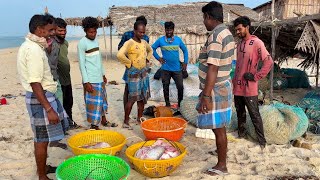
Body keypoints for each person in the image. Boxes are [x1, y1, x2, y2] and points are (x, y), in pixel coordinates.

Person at [17, 14, 69, 180]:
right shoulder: (33, 50)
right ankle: (41, 175)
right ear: (38, 29)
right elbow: (35, 83)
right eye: (50, 30)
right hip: (40, 99)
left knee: (43, 138)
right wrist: (48, 109)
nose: (52, 33)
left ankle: (43, 167)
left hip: (41, 96)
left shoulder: (33, 45)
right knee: (41, 139)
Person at [197, 1, 235, 176]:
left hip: (216, 88)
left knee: (218, 128)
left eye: (204, 18)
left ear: (209, 17)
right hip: (223, 84)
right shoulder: (226, 32)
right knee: (218, 127)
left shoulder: (216, 36)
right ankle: (221, 155)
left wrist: (206, 95)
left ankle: (221, 165)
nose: (204, 22)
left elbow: (213, 67)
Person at [233, 16, 273, 149]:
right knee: (240, 113)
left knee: (254, 114)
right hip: (237, 86)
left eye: (239, 29)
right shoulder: (239, 44)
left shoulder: (257, 43)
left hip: (250, 88)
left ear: (247, 27)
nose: (237, 32)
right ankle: (242, 135)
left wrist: (256, 76)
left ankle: (262, 142)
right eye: (236, 30)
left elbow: (268, 62)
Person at [78, 16, 118, 130]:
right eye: (91, 32)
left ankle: (104, 121)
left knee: (102, 101)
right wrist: (86, 82)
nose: (93, 34)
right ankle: (94, 125)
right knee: (92, 104)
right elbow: (81, 64)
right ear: (85, 31)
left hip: (99, 78)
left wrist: (103, 74)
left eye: (95, 31)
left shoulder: (95, 41)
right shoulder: (82, 43)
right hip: (90, 80)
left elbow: (99, 60)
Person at [117, 21, 153, 130]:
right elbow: (119, 54)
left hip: (143, 72)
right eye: (140, 32)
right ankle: (126, 121)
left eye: (143, 32)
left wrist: (147, 59)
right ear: (135, 31)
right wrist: (128, 63)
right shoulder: (129, 43)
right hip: (133, 73)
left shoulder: (144, 42)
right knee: (132, 98)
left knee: (142, 97)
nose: (142, 34)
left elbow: (150, 50)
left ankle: (139, 118)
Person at [152, 21, 188, 107]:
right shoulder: (161, 40)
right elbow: (152, 49)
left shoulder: (178, 40)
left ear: (173, 30)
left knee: (180, 87)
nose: (169, 32)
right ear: (165, 30)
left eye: (170, 30)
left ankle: (180, 105)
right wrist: (159, 58)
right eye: (167, 30)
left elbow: (185, 50)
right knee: (165, 87)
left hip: (177, 69)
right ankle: (167, 104)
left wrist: (185, 62)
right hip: (165, 69)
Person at [55, 18, 79, 129]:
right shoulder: (51, 44)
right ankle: (61, 126)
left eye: (64, 30)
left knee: (69, 103)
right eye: (60, 31)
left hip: (67, 78)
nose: (63, 33)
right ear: (54, 30)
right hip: (57, 80)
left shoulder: (65, 43)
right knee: (59, 104)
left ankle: (69, 122)